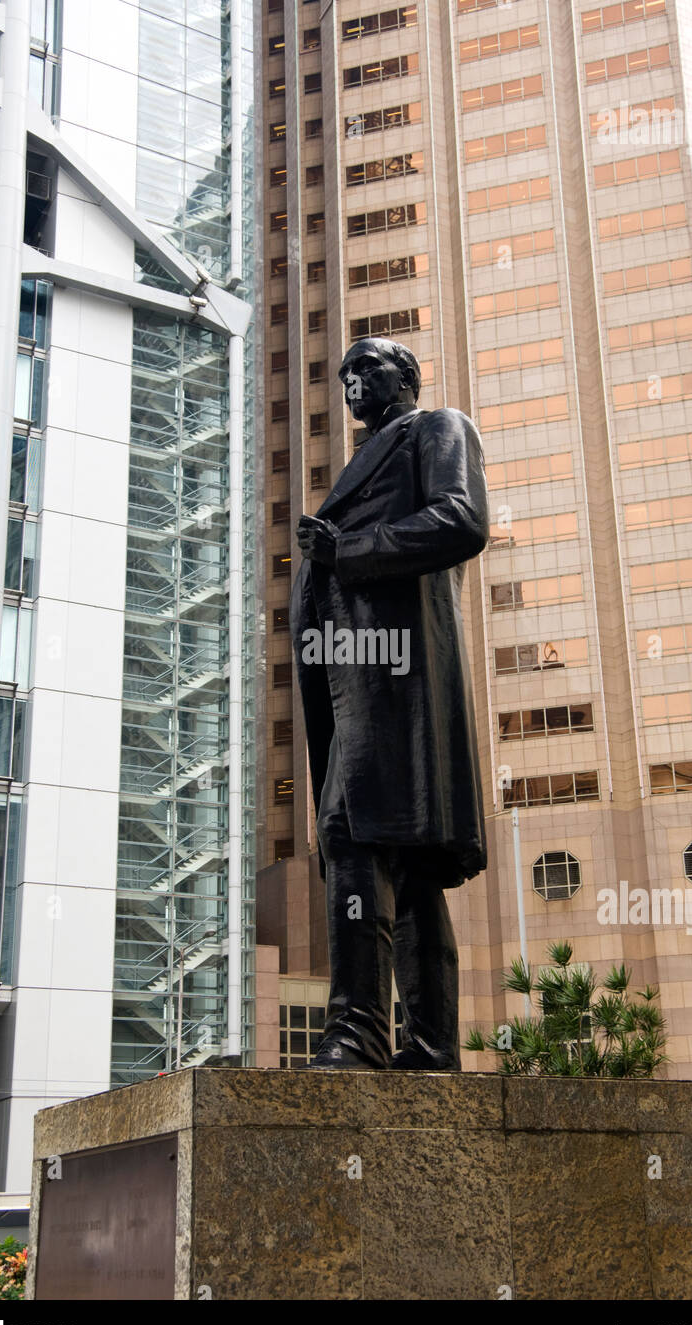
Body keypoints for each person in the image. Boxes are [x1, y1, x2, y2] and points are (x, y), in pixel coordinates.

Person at [289, 337, 489, 1069]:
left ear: (405, 375)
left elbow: (461, 521)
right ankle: (432, 1047)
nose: (351, 381)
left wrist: (348, 549)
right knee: (401, 865)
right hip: (349, 677)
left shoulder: (436, 428)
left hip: (397, 682)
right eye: (343, 372)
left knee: (351, 835)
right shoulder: (361, 458)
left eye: (367, 367)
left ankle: (356, 1034)